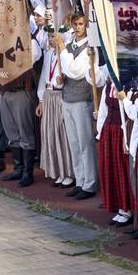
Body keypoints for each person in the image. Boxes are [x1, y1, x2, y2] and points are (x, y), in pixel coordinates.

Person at [54, 13, 98, 200]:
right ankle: (80, 180)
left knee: (85, 143)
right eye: (76, 23)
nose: (78, 27)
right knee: (74, 143)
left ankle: (90, 183)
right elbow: (65, 71)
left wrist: (62, 48)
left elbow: (77, 71)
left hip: (82, 99)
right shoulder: (71, 45)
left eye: (81, 23)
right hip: (68, 98)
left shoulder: (90, 48)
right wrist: (60, 78)